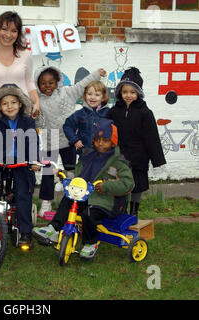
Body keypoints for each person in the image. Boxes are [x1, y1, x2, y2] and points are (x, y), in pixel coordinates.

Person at [32, 118, 135, 259]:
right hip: (87, 195)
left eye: (105, 140)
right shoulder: (88, 156)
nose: (100, 143)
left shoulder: (119, 162)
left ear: (113, 142)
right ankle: (53, 229)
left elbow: (128, 184)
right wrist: (66, 176)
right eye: (97, 140)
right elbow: (79, 175)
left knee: (89, 214)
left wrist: (106, 186)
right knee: (68, 200)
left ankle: (90, 243)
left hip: (108, 201)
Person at [35, 66, 107, 217]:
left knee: (72, 171)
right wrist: (35, 116)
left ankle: (72, 201)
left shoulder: (67, 93)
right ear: (38, 84)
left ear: (57, 82)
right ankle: (46, 202)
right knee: (48, 173)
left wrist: (96, 74)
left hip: (70, 140)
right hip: (50, 140)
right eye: (43, 83)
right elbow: (37, 122)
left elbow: (82, 84)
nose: (47, 86)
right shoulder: (37, 100)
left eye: (51, 83)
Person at [0, 84, 40, 248]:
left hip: (21, 161)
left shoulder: (27, 121)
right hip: (1, 159)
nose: (9, 107)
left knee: (23, 193)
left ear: (20, 104)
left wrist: (34, 160)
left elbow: (33, 141)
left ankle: (25, 232)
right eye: (5, 103)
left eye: (13, 102)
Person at [107, 67, 166, 217]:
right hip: (118, 157)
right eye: (125, 92)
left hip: (138, 157)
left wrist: (157, 161)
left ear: (138, 93)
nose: (128, 95)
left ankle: (134, 211)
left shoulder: (145, 112)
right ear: (120, 92)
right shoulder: (113, 112)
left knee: (136, 186)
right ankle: (120, 211)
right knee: (119, 184)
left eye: (132, 92)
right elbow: (106, 133)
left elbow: (152, 138)